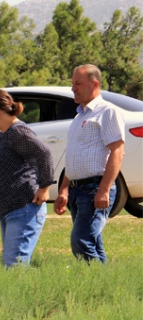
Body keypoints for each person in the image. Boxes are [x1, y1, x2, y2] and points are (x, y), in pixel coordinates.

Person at [54, 64, 125, 263]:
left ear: (94, 84)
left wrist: (104, 190)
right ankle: (104, 285)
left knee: (82, 241)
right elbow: (74, 156)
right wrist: (64, 190)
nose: (73, 88)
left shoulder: (107, 112)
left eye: (78, 83)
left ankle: (96, 283)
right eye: (72, 84)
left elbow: (118, 152)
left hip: (95, 189)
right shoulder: (79, 116)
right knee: (92, 243)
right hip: (78, 191)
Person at [0, 90, 54, 267]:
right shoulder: (0, 137)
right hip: (8, 211)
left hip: (24, 209)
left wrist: (44, 187)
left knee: (14, 266)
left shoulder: (17, 132)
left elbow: (44, 153)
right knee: (13, 265)